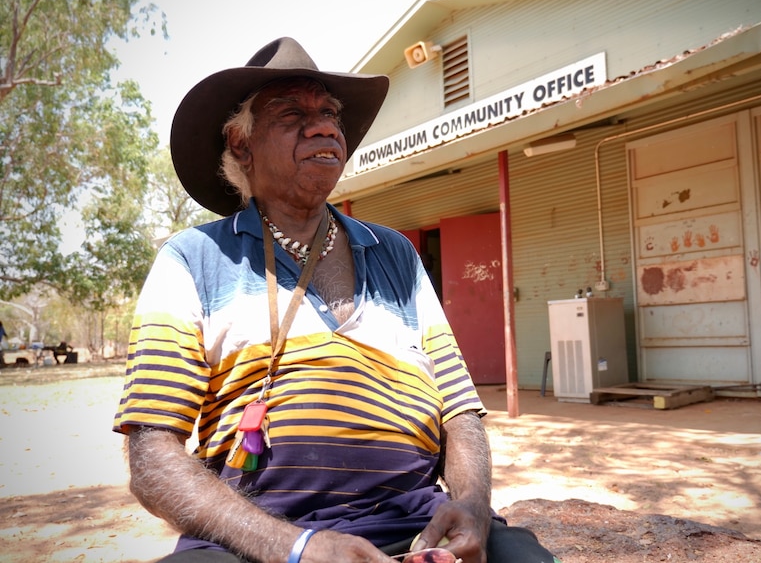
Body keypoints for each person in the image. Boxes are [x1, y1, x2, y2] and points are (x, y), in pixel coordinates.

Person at [114, 37, 558, 563]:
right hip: (256, 543)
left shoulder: (396, 253)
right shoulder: (194, 260)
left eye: (330, 114)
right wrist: (298, 546)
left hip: (417, 529)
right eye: (292, 114)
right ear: (240, 144)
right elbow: (151, 455)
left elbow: (460, 414)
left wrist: (472, 506)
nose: (324, 126)